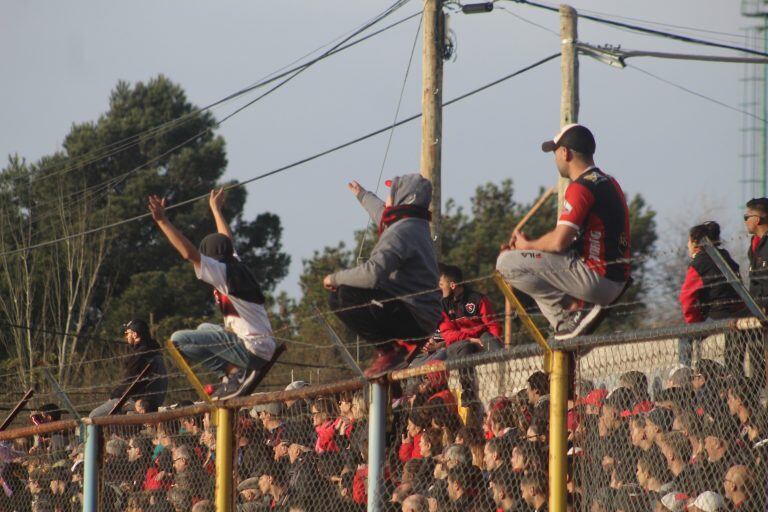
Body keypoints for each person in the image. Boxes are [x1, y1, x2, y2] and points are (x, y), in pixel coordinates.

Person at [496, 124, 631, 339]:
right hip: (617, 278)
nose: (555, 158)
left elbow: (559, 242)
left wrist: (526, 246)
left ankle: (567, 317)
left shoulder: (580, 188)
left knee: (507, 262)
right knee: (524, 259)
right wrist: (531, 249)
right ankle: (573, 316)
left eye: (555, 152)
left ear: (565, 152)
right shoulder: (609, 181)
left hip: (597, 280)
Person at [148, 189, 280, 400]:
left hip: (251, 350)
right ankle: (233, 373)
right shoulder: (233, 263)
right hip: (261, 345)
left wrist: (162, 221)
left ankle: (233, 374)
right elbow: (226, 239)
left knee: (179, 339)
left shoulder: (223, 272)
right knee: (204, 328)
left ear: (212, 259)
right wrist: (216, 210)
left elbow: (188, 253)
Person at [323, 174, 442, 377]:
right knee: (346, 293)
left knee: (344, 295)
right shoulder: (414, 224)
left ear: (404, 198)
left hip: (413, 317)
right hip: (420, 315)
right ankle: (390, 360)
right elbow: (381, 213)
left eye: (391, 193)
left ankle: (389, 353)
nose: (387, 198)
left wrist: (334, 278)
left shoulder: (401, 232)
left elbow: (373, 274)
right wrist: (362, 195)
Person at [679, 222, 748, 377]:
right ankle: (735, 377)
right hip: (739, 313)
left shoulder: (700, 263)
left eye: (689, 241)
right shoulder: (726, 257)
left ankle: (684, 375)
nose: (688, 245)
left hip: (717, 314)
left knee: (684, 336)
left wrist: (693, 322)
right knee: (734, 358)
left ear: (695, 243)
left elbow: (686, 297)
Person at [90, 319, 167, 418]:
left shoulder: (140, 355)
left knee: (94, 416)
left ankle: (111, 433)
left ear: (135, 334)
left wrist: (113, 396)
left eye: (127, 333)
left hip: (138, 401)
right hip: (155, 399)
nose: (126, 336)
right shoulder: (155, 352)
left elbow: (128, 381)